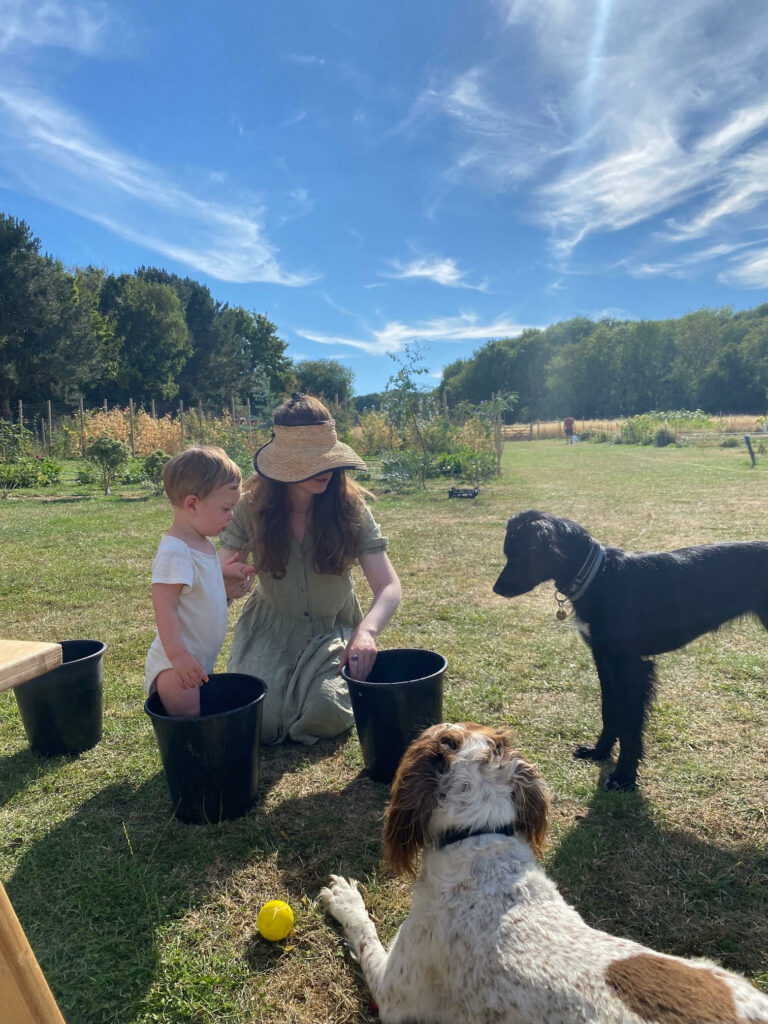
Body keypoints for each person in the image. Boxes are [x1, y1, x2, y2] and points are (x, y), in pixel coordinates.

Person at [219, 394, 402, 745]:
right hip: (271, 629)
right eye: (311, 462)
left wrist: (366, 633)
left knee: (325, 710)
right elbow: (222, 576)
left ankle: (315, 694)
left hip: (331, 631)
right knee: (260, 719)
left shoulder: (350, 508)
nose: (325, 470)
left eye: (328, 459)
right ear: (283, 464)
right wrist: (226, 584)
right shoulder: (249, 507)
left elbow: (388, 586)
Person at [144, 446, 255, 716]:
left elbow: (195, 581)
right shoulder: (175, 551)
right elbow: (165, 607)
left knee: (204, 720)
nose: (232, 515)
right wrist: (179, 657)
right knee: (190, 726)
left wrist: (222, 574)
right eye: (226, 508)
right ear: (192, 504)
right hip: (175, 668)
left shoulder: (201, 543)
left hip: (198, 659)